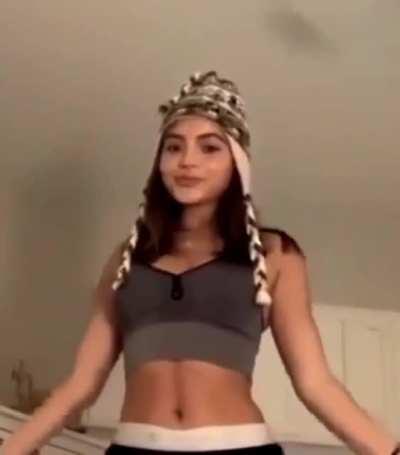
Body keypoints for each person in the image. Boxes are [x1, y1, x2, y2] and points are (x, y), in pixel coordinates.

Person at [3, 70, 399, 455]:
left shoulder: (274, 254)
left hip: (239, 448)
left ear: (237, 162)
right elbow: (81, 384)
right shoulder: (127, 259)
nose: (187, 161)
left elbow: (315, 384)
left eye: (210, 148)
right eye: (174, 147)